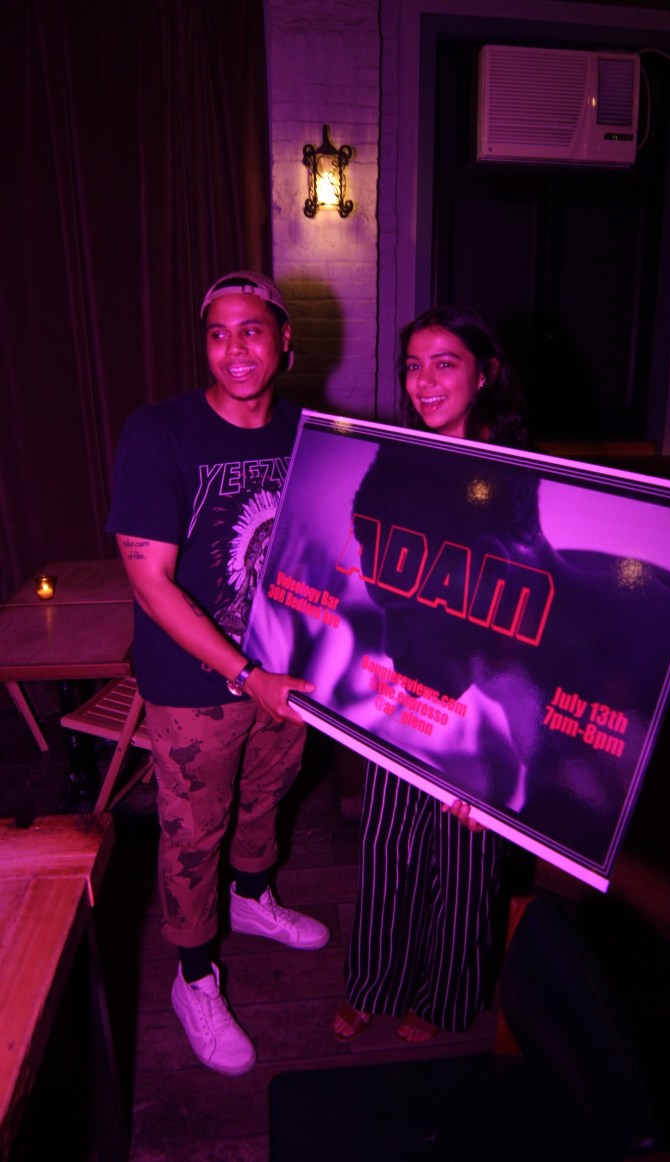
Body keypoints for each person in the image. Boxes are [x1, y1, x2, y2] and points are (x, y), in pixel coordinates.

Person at [107, 271, 330, 1077]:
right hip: (196, 685)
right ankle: (194, 977)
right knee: (193, 832)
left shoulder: (314, 432)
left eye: (251, 330)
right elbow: (150, 582)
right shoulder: (159, 433)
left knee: (266, 796)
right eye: (217, 333)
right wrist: (245, 674)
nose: (234, 349)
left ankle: (252, 899)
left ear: (284, 341)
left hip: (287, 670)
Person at [332, 305, 531, 1045]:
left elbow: (531, 589)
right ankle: (373, 983)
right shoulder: (397, 456)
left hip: (479, 691)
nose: (424, 381)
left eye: (445, 363)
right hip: (402, 678)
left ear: (485, 374)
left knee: (468, 853)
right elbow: (365, 531)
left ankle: (447, 997)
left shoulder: (522, 473)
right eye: (413, 366)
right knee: (387, 843)